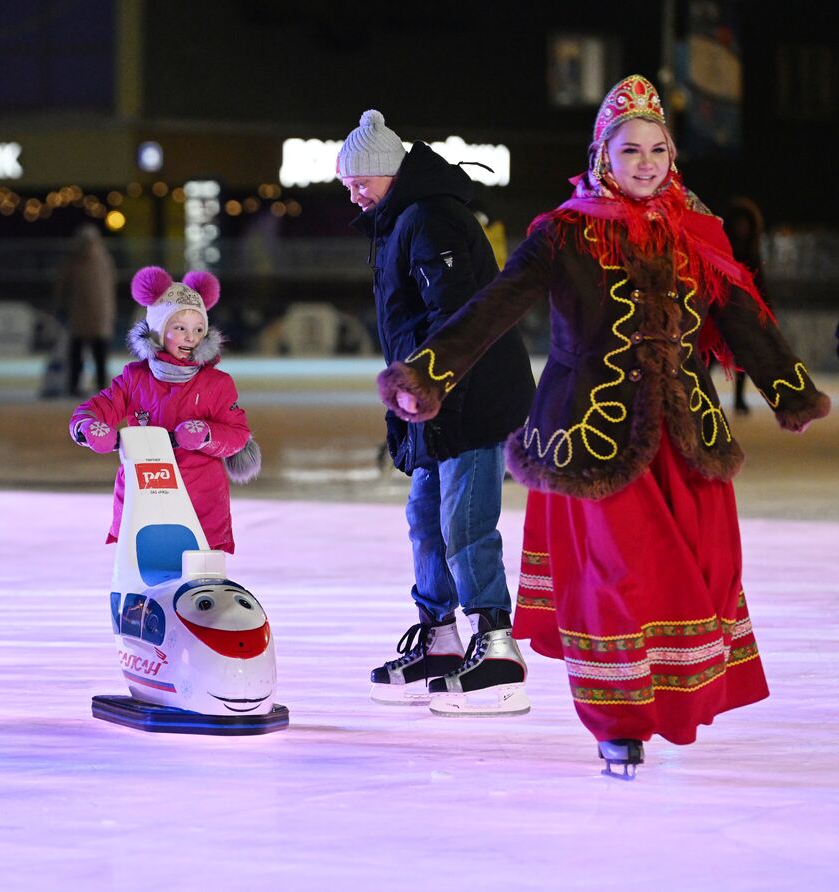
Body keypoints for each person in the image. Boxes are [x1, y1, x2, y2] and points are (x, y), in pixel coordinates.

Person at [377, 75, 830, 776]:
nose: (646, 163)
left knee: (699, 578)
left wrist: (788, 390)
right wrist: (430, 374)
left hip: (687, 440)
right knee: (615, 581)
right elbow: (495, 307)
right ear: (602, 158)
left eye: (657, 149)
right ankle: (617, 721)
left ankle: (664, 701)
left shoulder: (694, 233)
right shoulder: (566, 233)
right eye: (630, 151)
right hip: (592, 439)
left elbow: (741, 317)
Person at [337, 109, 536, 714]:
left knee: (464, 522)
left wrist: (432, 384)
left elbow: (453, 315)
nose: (351, 191)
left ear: (384, 171)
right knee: (426, 518)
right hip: (427, 399)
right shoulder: (401, 218)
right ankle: (442, 639)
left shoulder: (432, 217)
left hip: (465, 396)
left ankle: (497, 645)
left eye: (357, 179)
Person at [70, 267, 260, 554]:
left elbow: (237, 435)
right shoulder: (135, 378)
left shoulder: (216, 384)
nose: (190, 338)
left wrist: (207, 434)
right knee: (146, 568)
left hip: (201, 502)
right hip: (144, 498)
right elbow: (97, 408)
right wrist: (88, 428)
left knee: (196, 576)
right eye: (179, 328)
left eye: (198, 329)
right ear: (159, 332)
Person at [56, 223, 116, 396]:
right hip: (87, 316)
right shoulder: (99, 259)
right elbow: (62, 286)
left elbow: (61, 286)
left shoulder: (83, 260)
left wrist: (61, 304)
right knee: (83, 355)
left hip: (92, 316)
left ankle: (93, 386)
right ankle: (83, 386)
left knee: (94, 355)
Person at [720, 197, 767, 415]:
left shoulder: (751, 253)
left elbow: (759, 283)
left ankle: (739, 398)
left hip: (742, 313)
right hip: (719, 308)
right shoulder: (721, 246)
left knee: (742, 358)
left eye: (745, 224)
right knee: (707, 357)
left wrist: (764, 311)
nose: (741, 228)